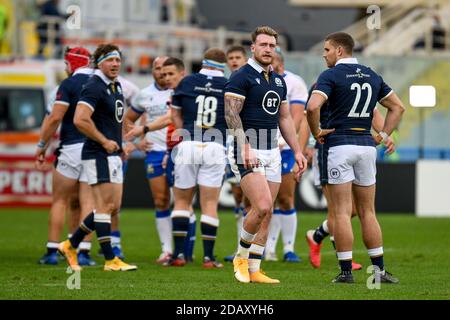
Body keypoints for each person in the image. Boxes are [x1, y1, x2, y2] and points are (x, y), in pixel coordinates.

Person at [306, 32, 404, 283]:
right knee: (367, 212)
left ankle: (346, 272)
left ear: (340, 51)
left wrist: (316, 131)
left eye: (327, 49)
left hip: (339, 146)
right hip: (366, 147)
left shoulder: (330, 75)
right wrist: (382, 135)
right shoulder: (371, 74)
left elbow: (312, 106)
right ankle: (379, 272)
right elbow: (397, 107)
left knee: (340, 213)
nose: (324, 54)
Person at [224, 26, 307, 284]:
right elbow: (231, 114)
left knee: (268, 212)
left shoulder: (279, 81)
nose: (268, 49)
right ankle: (240, 257)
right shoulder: (241, 76)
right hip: (246, 148)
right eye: (263, 45)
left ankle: (255, 269)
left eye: (272, 46)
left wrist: (297, 151)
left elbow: (284, 118)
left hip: (273, 150)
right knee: (260, 206)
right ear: (253, 47)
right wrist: (245, 145)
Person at [59, 43, 137, 272]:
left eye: (117, 60)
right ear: (98, 63)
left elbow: (116, 120)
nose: (115, 64)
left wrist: (125, 143)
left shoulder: (116, 86)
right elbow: (80, 119)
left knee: (113, 207)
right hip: (97, 153)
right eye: (110, 60)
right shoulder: (93, 86)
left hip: (112, 153)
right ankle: (110, 260)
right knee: (104, 206)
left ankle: (70, 245)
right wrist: (103, 140)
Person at [305, 83, 394, 270]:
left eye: (327, 50)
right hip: (327, 149)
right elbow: (309, 115)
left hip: (351, 146)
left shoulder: (356, 83)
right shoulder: (324, 84)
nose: (325, 53)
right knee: (339, 211)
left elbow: (373, 113)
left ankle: (317, 236)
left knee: (352, 210)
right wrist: (304, 146)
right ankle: (344, 261)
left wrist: (385, 135)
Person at [164, 47, 229, 269]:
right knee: (209, 204)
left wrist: (185, 133)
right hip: (215, 145)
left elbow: (174, 114)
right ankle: (209, 258)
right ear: (224, 64)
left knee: (181, 202)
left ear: (204, 63)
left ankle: (178, 255)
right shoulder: (229, 85)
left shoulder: (187, 82)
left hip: (189, 143)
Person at [36, 47, 95, 266]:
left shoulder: (68, 84)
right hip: (94, 149)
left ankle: (52, 251)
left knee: (60, 200)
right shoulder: (103, 84)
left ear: (71, 64)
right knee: (88, 201)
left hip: (71, 147)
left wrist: (42, 145)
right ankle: (83, 253)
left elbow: (53, 119)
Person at [123, 56, 175, 264]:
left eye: (165, 68)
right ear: (152, 71)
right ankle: (167, 250)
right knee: (161, 201)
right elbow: (128, 120)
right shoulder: (144, 95)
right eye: (157, 68)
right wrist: (137, 143)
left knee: (182, 202)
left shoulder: (181, 91)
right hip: (154, 152)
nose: (161, 71)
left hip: (179, 152)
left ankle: (183, 252)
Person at [265, 48, 308, 263]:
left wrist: (285, 142)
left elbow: (297, 117)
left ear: (279, 63)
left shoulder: (295, 82)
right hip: (261, 145)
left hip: (285, 146)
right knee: (265, 200)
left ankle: (288, 248)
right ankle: (268, 248)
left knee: (285, 197)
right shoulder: (259, 80)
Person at [223, 45, 248, 263]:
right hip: (231, 147)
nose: (233, 60)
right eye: (230, 58)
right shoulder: (228, 83)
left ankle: (258, 247)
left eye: (237, 57)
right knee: (239, 198)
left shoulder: (250, 80)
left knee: (254, 198)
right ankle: (240, 246)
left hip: (252, 144)